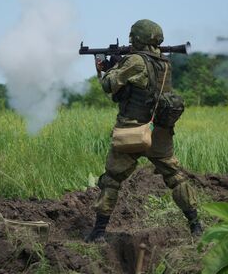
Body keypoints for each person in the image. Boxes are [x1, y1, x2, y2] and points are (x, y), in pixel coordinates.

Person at [84, 19, 202, 243]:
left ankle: (98, 232)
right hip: (159, 130)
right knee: (175, 176)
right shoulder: (164, 62)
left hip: (133, 129)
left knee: (112, 179)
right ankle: (195, 225)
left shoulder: (135, 60)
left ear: (136, 39)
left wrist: (108, 67)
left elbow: (109, 86)